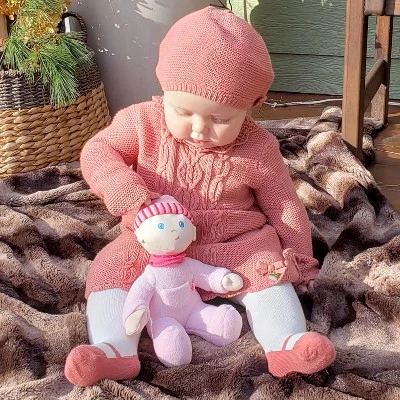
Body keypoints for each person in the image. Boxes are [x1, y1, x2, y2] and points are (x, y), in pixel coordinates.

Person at [64, 5, 336, 387]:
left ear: (252, 105)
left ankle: (286, 343)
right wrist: (123, 187)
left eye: (220, 119)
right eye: (183, 110)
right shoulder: (142, 122)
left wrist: (299, 258)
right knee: (111, 269)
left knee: (269, 275)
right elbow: (98, 150)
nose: (198, 128)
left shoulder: (258, 148)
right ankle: (113, 350)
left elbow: (285, 206)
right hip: (153, 245)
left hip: (235, 244)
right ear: (164, 89)